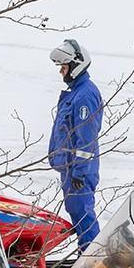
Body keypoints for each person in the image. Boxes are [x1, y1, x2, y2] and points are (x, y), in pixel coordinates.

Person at [48, 39, 103, 253]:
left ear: (75, 65)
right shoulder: (75, 94)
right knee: (76, 211)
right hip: (70, 169)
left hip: (79, 172)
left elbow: (86, 137)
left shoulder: (84, 96)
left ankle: (92, 258)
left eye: (63, 67)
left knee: (83, 213)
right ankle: (87, 254)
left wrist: (80, 172)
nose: (61, 72)